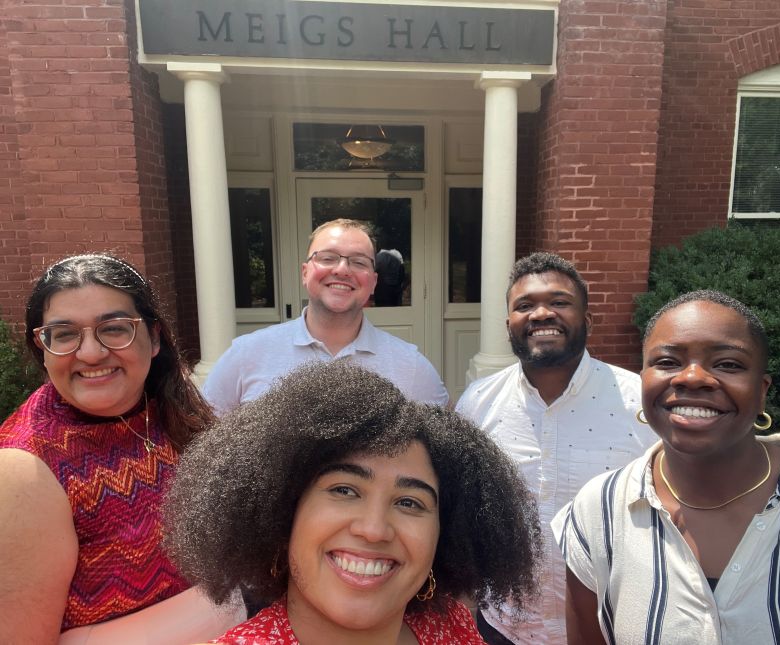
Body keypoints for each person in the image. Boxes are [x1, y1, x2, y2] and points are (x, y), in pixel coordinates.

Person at [553, 290, 780, 644]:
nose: (693, 377)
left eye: (728, 364)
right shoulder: (598, 510)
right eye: (668, 362)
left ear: (761, 391)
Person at [165, 361, 542, 645]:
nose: (374, 528)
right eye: (344, 490)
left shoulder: (452, 630)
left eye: (410, 502)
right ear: (282, 514)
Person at [0, 254, 244, 643]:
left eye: (114, 329)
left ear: (155, 338)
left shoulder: (169, 407)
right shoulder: (25, 471)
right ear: (42, 349)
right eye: (64, 334)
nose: (91, 353)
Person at [455, 252, 654, 644]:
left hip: (610, 630)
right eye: (524, 305)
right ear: (508, 324)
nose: (541, 314)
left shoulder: (640, 406)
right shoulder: (479, 403)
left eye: (559, 302)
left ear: (588, 320)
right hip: (502, 627)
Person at [204, 219, 447, 415]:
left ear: (373, 282)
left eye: (359, 262)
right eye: (328, 258)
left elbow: (441, 455)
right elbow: (203, 440)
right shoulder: (247, 356)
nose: (342, 270)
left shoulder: (412, 368)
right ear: (305, 272)